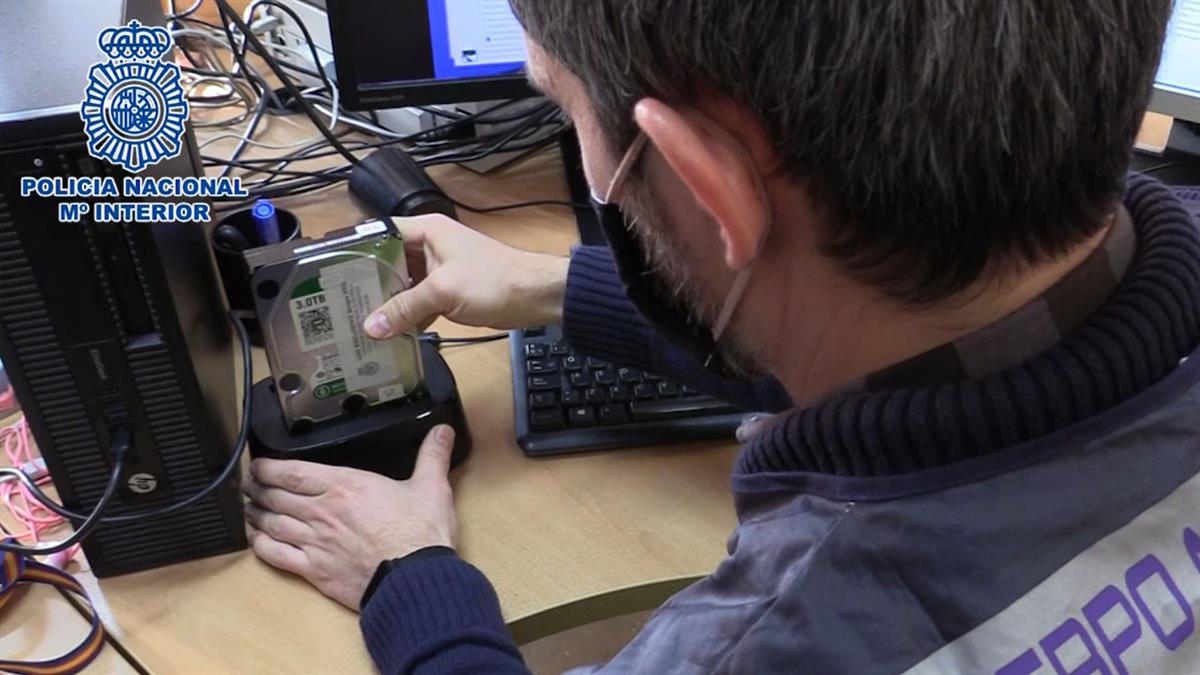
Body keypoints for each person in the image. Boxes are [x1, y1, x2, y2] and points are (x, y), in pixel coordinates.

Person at [241, 1, 1200, 672]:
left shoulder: (759, 647)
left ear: (708, 187)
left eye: (564, 106)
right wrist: (554, 287)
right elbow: (941, 346)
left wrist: (410, 577)